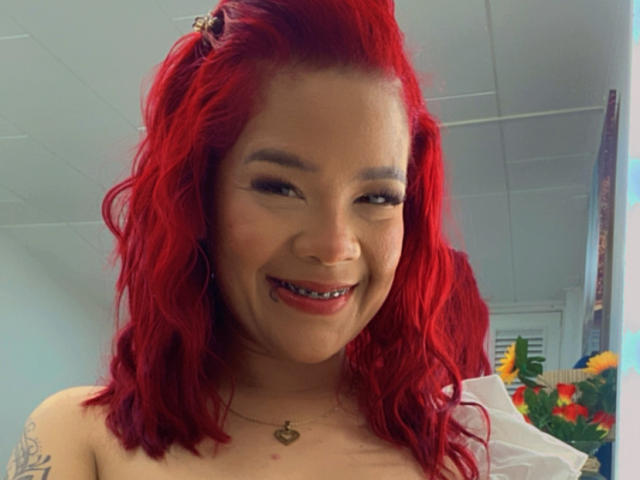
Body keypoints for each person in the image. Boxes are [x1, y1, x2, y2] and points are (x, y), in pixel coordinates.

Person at [4, 1, 588, 479]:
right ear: (198, 199)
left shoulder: (465, 455)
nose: (334, 246)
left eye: (377, 197)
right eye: (279, 187)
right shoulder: (80, 439)